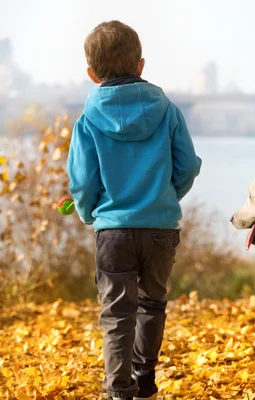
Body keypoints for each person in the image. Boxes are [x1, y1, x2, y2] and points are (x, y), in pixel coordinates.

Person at [66, 20, 202, 400]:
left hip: (112, 232)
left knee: (116, 314)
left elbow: (82, 182)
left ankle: (118, 390)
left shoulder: (87, 120)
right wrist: (165, 197)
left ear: (91, 74)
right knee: (152, 304)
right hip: (160, 228)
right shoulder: (169, 110)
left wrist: (88, 213)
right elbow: (188, 165)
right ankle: (144, 377)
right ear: (141, 65)